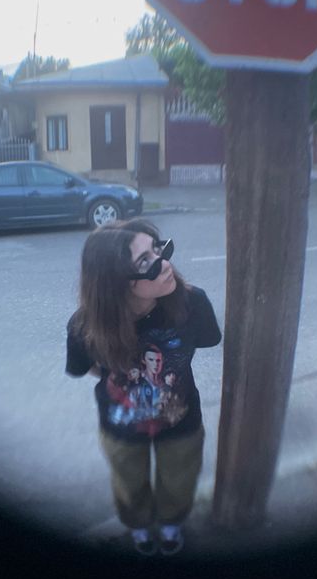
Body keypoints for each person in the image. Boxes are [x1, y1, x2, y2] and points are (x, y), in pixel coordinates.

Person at [66, 217, 221, 556]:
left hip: (181, 421)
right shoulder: (85, 326)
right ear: (115, 284)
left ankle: (170, 526)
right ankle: (138, 528)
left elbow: (208, 340)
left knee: (179, 481)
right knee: (129, 485)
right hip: (121, 427)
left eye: (157, 249)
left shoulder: (193, 304)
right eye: (145, 262)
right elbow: (88, 369)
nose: (164, 264)